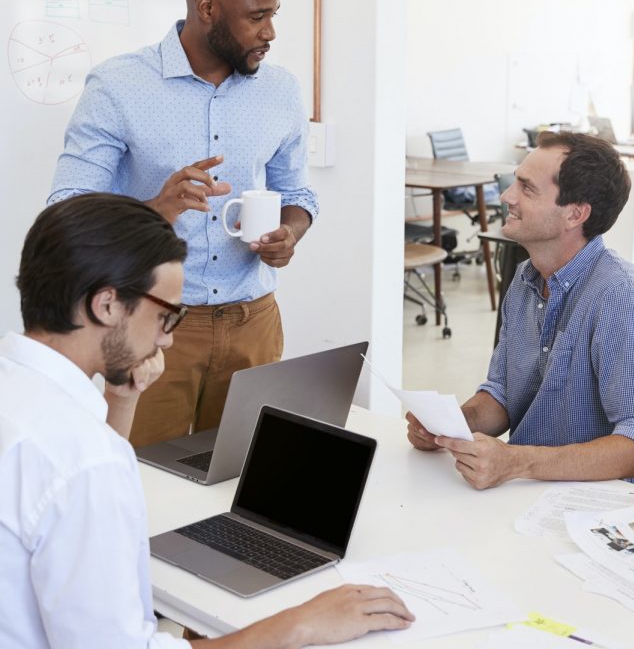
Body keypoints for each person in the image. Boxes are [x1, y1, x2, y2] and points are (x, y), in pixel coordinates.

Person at [0, 193, 413, 647]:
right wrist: (300, 624)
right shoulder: (83, 461)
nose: (167, 340)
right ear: (107, 306)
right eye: (166, 317)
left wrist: (123, 399)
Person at [48, 0, 317, 447]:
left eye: (273, 13)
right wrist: (154, 210)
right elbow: (64, 213)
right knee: (144, 485)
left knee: (244, 484)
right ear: (208, 8)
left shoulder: (280, 90)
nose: (271, 31)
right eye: (256, 16)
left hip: (254, 321)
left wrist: (291, 231)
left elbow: (297, 192)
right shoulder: (117, 86)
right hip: (151, 326)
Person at [406, 131, 634, 489]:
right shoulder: (524, 279)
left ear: (575, 214)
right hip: (528, 496)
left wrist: (516, 462)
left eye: (526, 188)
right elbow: (502, 393)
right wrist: (451, 425)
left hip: (591, 512)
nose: (506, 196)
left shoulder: (620, 298)